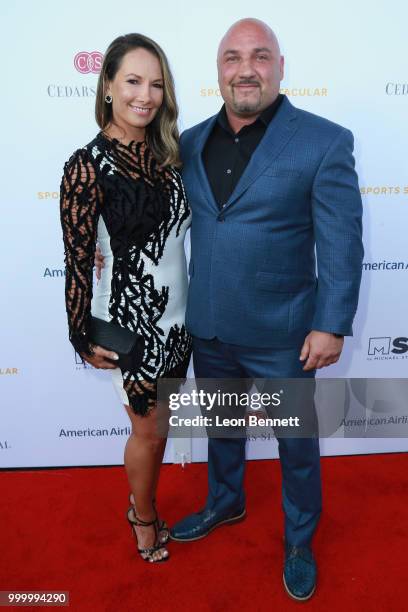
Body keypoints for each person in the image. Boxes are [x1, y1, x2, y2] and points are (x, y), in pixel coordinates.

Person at [96, 18, 363, 600]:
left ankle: (299, 539)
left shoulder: (324, 140)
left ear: (280, 67)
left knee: (295, 444)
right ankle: (226, 501)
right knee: (222, 428)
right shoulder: (187, 142)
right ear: (218, 71)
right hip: (210, 326)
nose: (247, 69)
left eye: (260, 56)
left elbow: (342, 240)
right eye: (233, 58)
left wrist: (331, 322)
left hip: (284, 332)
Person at [60, 33, 192, 563]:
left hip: (181, 316)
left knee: (161, 429)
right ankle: (142, 515)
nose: (146, 94)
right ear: (108, 86)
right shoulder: (85, 166)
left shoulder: (170, 154)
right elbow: (75, 259)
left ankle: (144, 502)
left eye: (156, 83)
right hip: (130, 317)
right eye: (133, 81)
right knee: (149, 428)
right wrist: (78, 331)